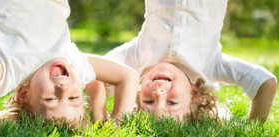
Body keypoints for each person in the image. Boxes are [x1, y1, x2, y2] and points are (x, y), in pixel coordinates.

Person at [0, 0, 139, 127]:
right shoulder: (73, 64)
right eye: (74, 98)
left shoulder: (11, 67)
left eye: (51, 99)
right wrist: (117, 125)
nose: (63, 87)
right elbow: (128, 77)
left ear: (23, 95)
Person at [105, 0, 277, 122]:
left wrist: (99, 116)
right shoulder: (210, 66)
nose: (158, 94)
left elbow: (93, 74)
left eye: (148, 102)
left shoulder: (139, 56)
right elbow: (265, 82)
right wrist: (253, 126)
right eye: (171, 103)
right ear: (195, 95)